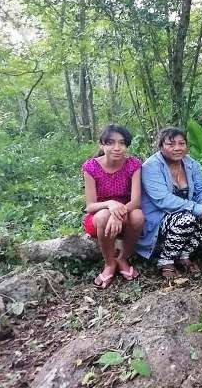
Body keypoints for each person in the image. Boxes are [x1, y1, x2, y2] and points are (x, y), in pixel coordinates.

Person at [138, 127, 202, 278]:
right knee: (187, 218)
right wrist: (196, 208)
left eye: (181, 143)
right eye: (171, 144)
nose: (177, 148)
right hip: (159, 218)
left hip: (187, 213)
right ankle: (166, 260)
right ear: (161, 146)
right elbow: (162, 200)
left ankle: (184, 255)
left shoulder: (191, 163)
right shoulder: (151, 166)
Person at [82, 124, 144, 289]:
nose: (117, 148)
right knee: (103, 215)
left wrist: (117, 214)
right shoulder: (91, 167)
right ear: (102, 145)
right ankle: (109, 263)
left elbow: (135, 202)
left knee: (138, 215)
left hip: (125, 215)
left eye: (122, 143)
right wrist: (110, 204)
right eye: (111, 143)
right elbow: (90, 206)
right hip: (98, 218)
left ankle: (122, 258)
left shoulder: (133, 165)